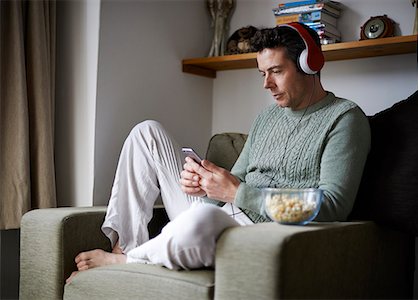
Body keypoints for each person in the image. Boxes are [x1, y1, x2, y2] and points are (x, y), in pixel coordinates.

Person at [66, 22, 370, 282]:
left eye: (276, 71)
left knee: (200, 222)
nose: (266, 84)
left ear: (309, 64)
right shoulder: (267, 117)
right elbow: (233, 180)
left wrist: (238, 193)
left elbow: (333, 204)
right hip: (222, 212)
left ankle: (128, 261)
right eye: (262, 73)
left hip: (259, 230)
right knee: (148, 133)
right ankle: (127, 247)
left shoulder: (344, 118)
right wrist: (204, 185)